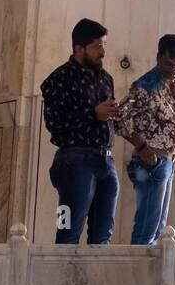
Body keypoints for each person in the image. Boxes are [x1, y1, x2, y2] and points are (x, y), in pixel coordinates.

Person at [114, 34, 175, 246]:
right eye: (168, 63)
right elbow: (119, 119)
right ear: (157, 57)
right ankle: (138, 277)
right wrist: (142, 147)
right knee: (147, 230)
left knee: (158, 230)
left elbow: (170, 116)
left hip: (168, 161)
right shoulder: (144, 86)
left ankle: (150, 277)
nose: (173, 69)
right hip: (150, 164)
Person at [40, 18, 119, 245]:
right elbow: (54, 123)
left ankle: (91, 281)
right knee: (67, 230)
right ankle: (60, 280)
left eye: (104, 45)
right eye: (97, 46)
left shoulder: (105, 79)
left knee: (103, 236)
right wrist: (94, 113)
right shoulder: (59, 79)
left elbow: (105, 115)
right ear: (79, 49)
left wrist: (115, 114)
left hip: (106, 161)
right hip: (73, 162)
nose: (103, 52)